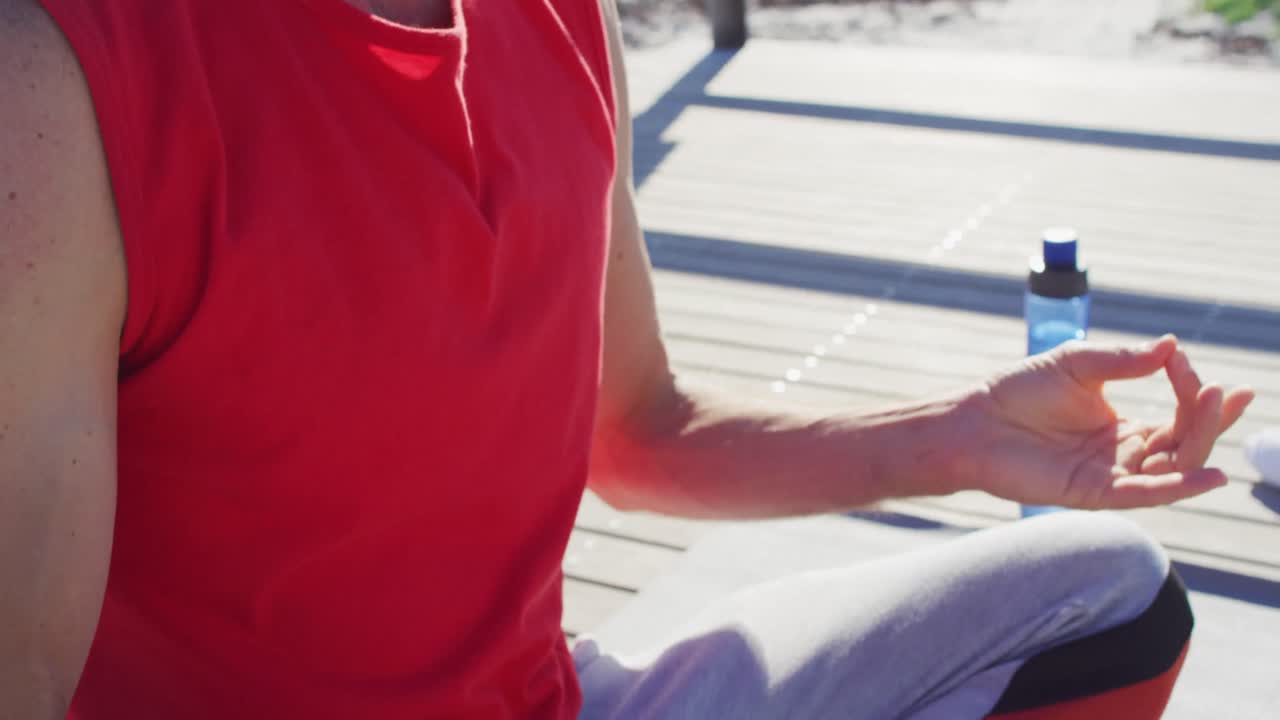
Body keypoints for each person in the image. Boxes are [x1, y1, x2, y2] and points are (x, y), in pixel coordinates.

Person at [0, 0, 1256, 718]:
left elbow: (640, 432)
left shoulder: (556, 13)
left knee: (1108, 601)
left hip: (560, 701)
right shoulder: (62, 70)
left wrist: (963, 436)